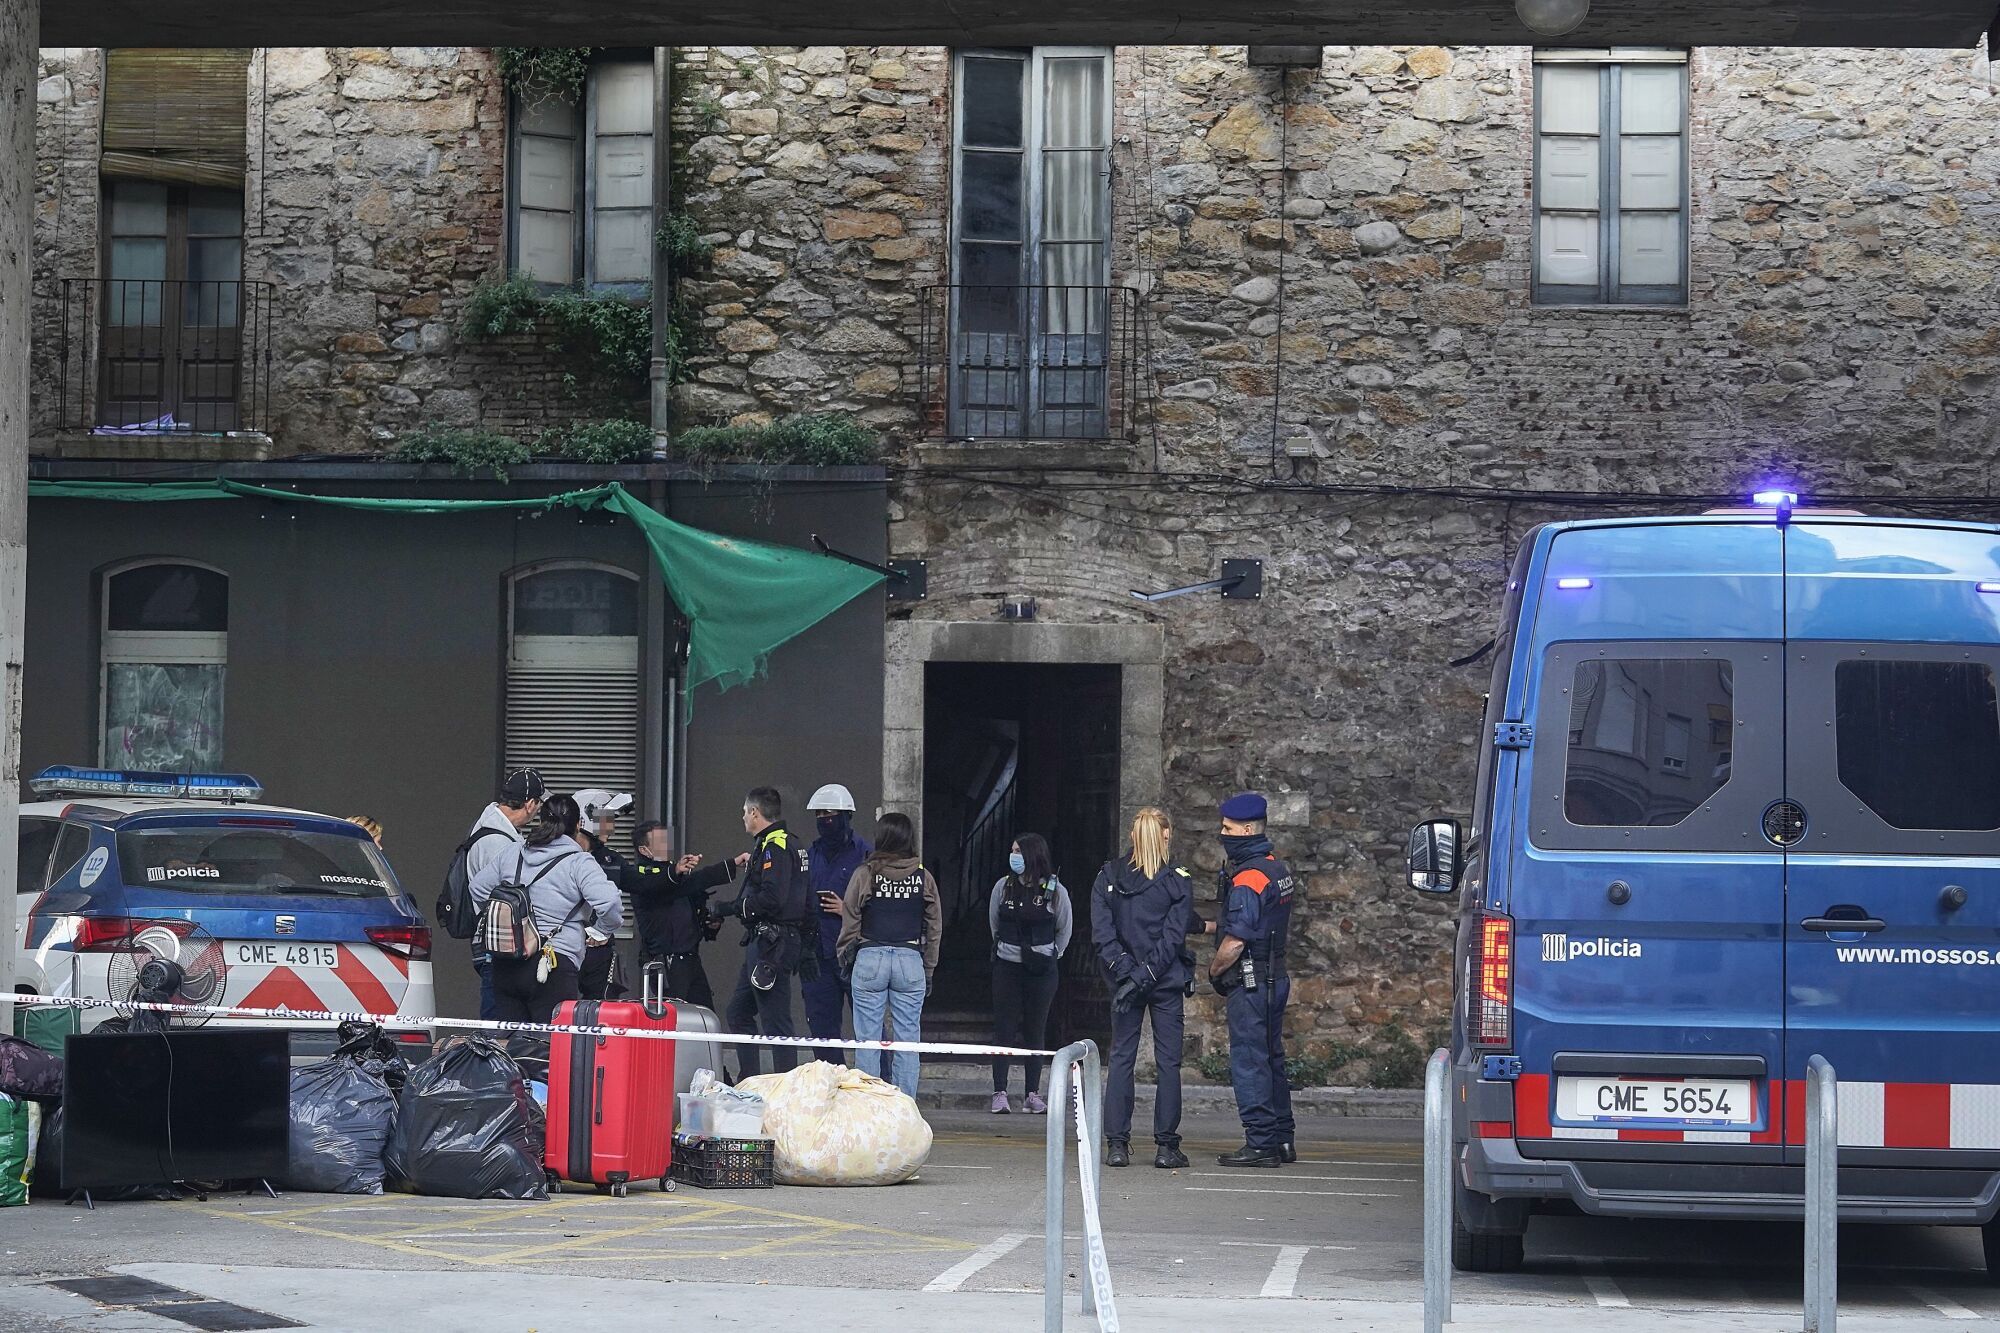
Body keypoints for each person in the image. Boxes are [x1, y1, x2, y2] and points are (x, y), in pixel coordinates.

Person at [1092, 807, 1194, 1169]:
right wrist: (1146, 975)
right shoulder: (1176, 880)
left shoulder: (1108, 876)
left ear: (1133, 837)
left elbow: (1103, 936)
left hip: (1124, 984)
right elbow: (1171, 939)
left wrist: (1129, 976)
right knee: (1168, 1063)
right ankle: (1167, 1147)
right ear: (1165, 836)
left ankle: (1116, 1144)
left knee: (1121, 1059)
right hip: (1164, 982)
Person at [467, 803, 623, 1025]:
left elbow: (478, 889)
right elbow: (609, 902)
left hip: (506, 961)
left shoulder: (513, 852)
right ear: (578, 825)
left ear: (542, 821)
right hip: (554, 963)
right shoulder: (579, 861)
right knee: (549, 1048)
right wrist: (601, 932)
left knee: (508, 1046)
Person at [1210, 791, 1299, 1169]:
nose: (1222, 833)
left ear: (1247, 830)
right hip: (1274, 976)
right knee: (1272, 1058)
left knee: (1250, 1061)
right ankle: (1281, 1139)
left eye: (1228, 828)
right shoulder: (1275, 869)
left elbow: (1237, 939)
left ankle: (1259, 1141)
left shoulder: (1247, 877)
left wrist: (1214, 971)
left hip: (1250, 981)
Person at [837, 813, 941, 1098]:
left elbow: (850, 916)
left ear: (881, 838)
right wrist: (929, 967)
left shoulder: (866, 873)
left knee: (868, 1041)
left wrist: (845, 955)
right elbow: (934, 927)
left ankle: (870, 1108)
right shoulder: (924, 877)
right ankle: (904, 1109)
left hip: (870, 956)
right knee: (907, 1041)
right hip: (910, 959)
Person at [713, 787, 811, 1080]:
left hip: (773, 945)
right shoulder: (788, 843)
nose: (743, 817)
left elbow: (772, 899)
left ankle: (786, 1091)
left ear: (755, 812)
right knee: (738, 1013)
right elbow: (807, 900)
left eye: (745, 812)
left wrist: (731, 908)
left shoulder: (775, 846)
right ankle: (751, 1081)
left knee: (776, 1021)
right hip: (767, 942)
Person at [988, 831, 1072, 1114]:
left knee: (1036, 1029)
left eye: (1018, 851)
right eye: (1012, 851)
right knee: (1004, 1029)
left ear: (1033, 855)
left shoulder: (1055, 890)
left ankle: (1032, 1094)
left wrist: (1048, 957)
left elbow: (1064, 929)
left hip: (1041, 970)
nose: (1013, 857)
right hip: (1007, 967)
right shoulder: (1003, 886)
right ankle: (999, 1091)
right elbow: (995, 924)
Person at [623, 819, 734, 1007]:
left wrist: (708, 924)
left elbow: (691, 901)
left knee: (705, 1015)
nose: (666, 846)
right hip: (666, 961)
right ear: (644, 850)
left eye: (667, 840)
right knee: (674, 1018)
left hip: (691, 957)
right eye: (660, 842)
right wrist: (677, 872)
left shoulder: (675, 873)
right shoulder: (642, 877)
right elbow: (661, 885)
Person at [464, 768, 546, 1021]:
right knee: (497, 1021)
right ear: (530, 804)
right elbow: (498, 893)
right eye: (540, 802)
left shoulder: (489, 825)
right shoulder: (499, 843)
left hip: (490, 940)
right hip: (497, 944)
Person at [804, 783, 871, 1063]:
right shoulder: (812, 853)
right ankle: (831, 1082)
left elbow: (880, 905)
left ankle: (878, 1085)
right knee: (821, 1025)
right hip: (818, 953)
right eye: (819, 815)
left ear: (845, 816)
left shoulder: (865, 854)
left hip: (855, 953)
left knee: (868, 1024)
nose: (824, 820)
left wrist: (847, 910)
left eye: (829, 814)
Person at [547, 794, 627, 1001]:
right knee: (556, 1015)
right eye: (605, 820)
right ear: (582, 820)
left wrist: (601, 932)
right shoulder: (565, 857)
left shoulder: (611, 858)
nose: (610, 828)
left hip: (594, 952)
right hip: (559, 950)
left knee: (600, 1014)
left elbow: (643, 882)